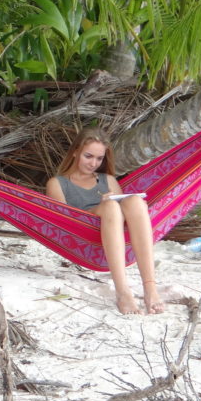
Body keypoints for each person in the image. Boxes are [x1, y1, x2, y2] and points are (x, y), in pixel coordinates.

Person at [46, 127, 164, 315]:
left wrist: (111, 201)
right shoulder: (57, 183)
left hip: (112, 233)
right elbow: (64, 221)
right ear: (75, 151)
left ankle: (150, 288)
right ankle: (122, 292)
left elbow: (122, 211)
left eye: (99, 158)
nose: (93, 163)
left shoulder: (107, 180)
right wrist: (102, 206)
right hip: (83, 233)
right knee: (109, 206)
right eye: (88, 156)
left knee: (135, 201)